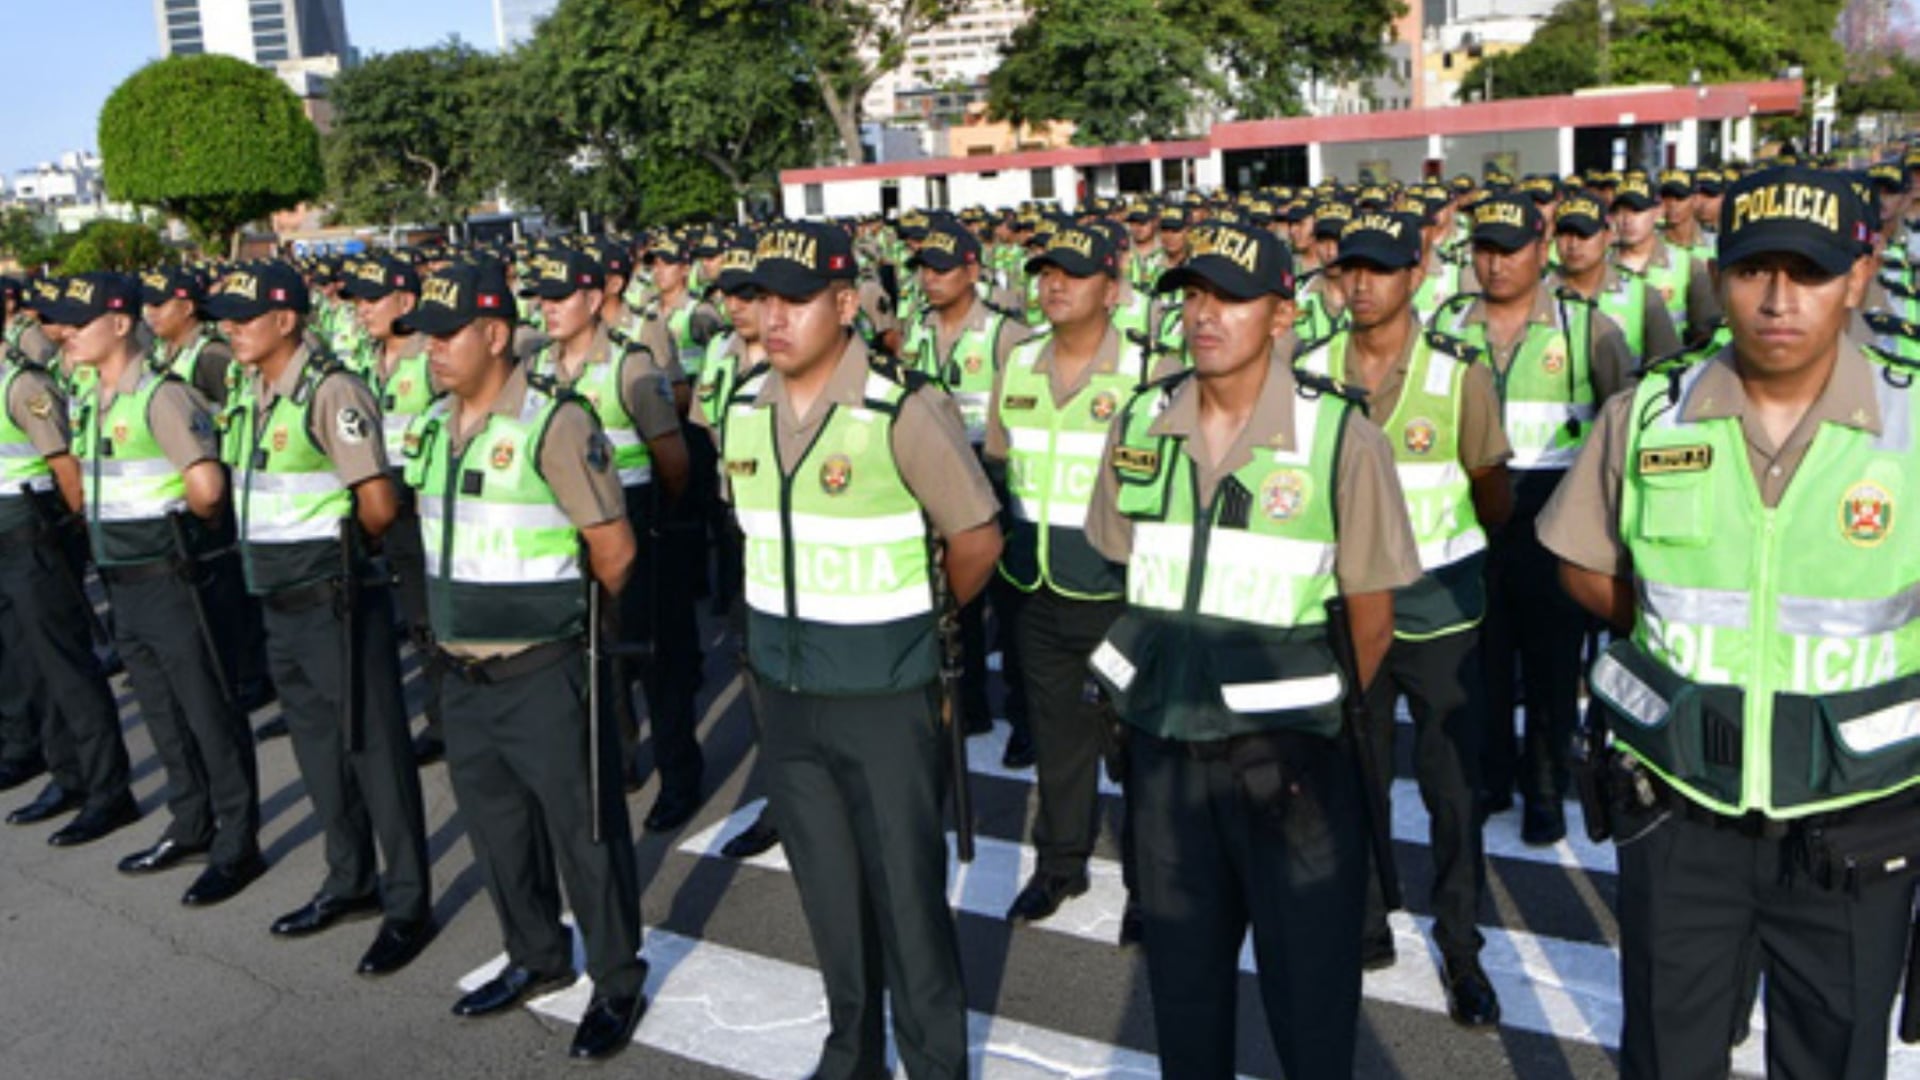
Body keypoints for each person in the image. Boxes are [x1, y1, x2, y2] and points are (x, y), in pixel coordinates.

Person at [1541, 165, 1920, 1080]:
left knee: (1835, 1059)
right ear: (1721, 272)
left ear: (1859, 278)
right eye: (1755, 270)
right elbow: (1585, 564)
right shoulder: (1649, 411)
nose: (1780, 298)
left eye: (1812, 271)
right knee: (1669, 1057)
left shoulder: (1910, 419)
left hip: (1856, 818)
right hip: (1681, 807)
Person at [1085, 221, 1421, 1078]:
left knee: (1310, 1005)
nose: (1205, 316)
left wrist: (1288, 714)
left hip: (1292, 771)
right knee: (1186, 998)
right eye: (1192, 296)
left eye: (1229, 298)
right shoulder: (1139, 423)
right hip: (1164, 761)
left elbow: (1371, 619)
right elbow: (1123, 563)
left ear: (1280, 313)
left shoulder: (1340, 436)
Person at [720, 221, 1002, 1079]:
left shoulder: (900, 408)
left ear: (844, 304)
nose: (775, 318)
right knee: (830, 900)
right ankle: (851, 1053)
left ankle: (932, 1064)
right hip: (786, 691)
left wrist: (917, 625)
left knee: (909, 906)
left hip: (885, 695)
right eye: (763, 299)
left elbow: (977, 539)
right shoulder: (741, 409)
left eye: (796, 300)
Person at [397, 260, 649, 1060]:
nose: (431, 351)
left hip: (543, 668)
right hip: (461, 673)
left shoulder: (554, 422)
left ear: (496, 335)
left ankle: (615, 979)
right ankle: (536, 956)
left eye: (447, 335)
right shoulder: (435, 424)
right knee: (498, 829)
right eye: (425, 337)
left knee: (587, 832)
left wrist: (576, 630)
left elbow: (613, 548)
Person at [1294, 212, 1509, 1026]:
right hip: (1346, 611)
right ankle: (1367, 922)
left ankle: (1461, 948)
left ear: (1415, 275)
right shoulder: (1308, 368)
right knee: (1356, 776)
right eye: (1349, 268)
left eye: (1380, 269)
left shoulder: (1460, 375)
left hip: (1442, 612)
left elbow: (1491, 489)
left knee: (1455, 793)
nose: (1361, 284)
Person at [206, 262, 435, 976]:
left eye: (245, 315)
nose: (231, 327)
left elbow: (376, 501)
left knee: (374, 749)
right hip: (277, 599)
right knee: (317, 751)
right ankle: (349, 879)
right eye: (227, 315)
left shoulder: (329, 390)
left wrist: (348, 564)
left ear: (287, 319)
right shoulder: (256, 390)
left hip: (333, 597)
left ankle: (407, 904)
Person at [44, 272, 264, 903]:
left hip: (172, 577)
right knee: (164, 715)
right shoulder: (96, 396)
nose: (66, 333)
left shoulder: (160, 397)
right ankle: (190, 821)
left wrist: (178, 538)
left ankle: (237, 841)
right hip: (124, 578)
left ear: (118, 324)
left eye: (78, 320)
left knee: (207, 711)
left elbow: (207, 487)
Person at [1431, 193, 1635, 844]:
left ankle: (1544, 789)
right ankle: (1494, 775)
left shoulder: (1585, 328)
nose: (1495, 264)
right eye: (1484, 249)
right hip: (1470, 517)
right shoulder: (1446, 323)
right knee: (1483, 661)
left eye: (1510, 250)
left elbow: (1620, 422)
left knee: (1550, 668)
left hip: (1554, 521)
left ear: (1539, 252)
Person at [986, 223, 1169, 941]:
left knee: (1138, 739)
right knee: (1057, 730)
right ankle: (1061, 862)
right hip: (1035, 583)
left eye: (1073, 273)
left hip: (1120, 590)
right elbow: (1002, 462)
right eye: (1045, 272)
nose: (1054, 285)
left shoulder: (1149, 369)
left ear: (1112, 288)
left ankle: (1149, 884)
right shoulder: (1020, 360)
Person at [521, 248, 696, 829]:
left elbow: (673, 460)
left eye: (560, 296)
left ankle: (679, 774)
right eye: (541, 297)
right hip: (565, 533)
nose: (547, 308)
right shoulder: (536, 369)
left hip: (635, 525)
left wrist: (656, 523)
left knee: (655, 660)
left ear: (595, 300)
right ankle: (619, 760)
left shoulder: (632, 365)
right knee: (597, 662)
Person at [0, 277, 137, 846]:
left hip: (34, 536)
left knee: (65, 663)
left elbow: (65, 468)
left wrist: (75, 532)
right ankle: (66, 774)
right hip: (4, 540)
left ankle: (108, 790)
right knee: (25, 662)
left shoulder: (21, 383)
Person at [900, 218, 1035, 763]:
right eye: (924, 270)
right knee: (954, 599)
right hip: (936, 470)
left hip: (993, 469)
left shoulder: (1005, 333)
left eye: (942, 269)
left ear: (972, 270)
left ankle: (1025, 720)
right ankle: (970, 703)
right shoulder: (917, 328)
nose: (930, 279)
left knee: (1010, 603)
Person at [342, 255, 446, 764]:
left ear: (406, 301)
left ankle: (454, 717)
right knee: (419, 621)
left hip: (430, 504)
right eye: (357, 301)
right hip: (390, 504)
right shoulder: (365, 360)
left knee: (442, 617)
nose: (362, 311)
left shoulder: (433, 357)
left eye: (372, 299)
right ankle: (440, 719)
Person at [1550, 194, 1683, 366]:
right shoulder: (1536, 294)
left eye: (1584, 235)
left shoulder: (1642, 295)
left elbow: (1666, 369)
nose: (1573, 245)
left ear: (1608, 236)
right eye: (1565, 234)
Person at [1611, 172, 1723, 347]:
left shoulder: (1686, 264)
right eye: (1620, 212)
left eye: (1637, 211)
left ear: (1657, 213)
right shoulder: (1599, 266)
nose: (1627, 220)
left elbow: (1706, 332)